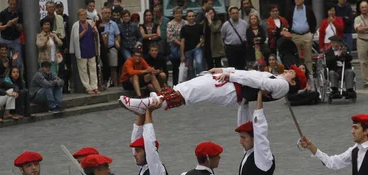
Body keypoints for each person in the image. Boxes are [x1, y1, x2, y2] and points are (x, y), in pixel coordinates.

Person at [119, 65, 305, 114]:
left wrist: (229, 75)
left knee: (192, 91)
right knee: (188, 86)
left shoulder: (282, 85)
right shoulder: (279, 80)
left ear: (294, 82)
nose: (288, 71)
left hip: (233, 89)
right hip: (231, 84)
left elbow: (254, 80)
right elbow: (250, 74)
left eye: (292, 73)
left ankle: (147, 103)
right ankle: (149, 102)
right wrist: (225, 71)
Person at [70, 9, 99, 94]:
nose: (83, 16)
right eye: (81, 15)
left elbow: (95, 35)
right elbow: (76, 39)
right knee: (83, 71)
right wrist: (84, 31)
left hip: (91, 49)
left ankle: (94, 86)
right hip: (81, 50)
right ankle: (88, 87)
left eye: (84, 14)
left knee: (93, 69)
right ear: (78, 16)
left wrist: (94, 30)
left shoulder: (90, 23)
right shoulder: (76, 25)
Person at [287, 0, 318, 73]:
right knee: (295, 57)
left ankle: (309, 74)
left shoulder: (308, 10)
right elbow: (288, 21)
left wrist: (312, 33)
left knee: (308, 58)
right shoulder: (291, 10)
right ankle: (297, 73)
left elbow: (314, 21)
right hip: (295, 35)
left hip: (306, 35)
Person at [0, 0, 23, 68]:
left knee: (18, 61)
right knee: (4, 60)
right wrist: (7, 25)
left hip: (15, 39)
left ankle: (18, 76)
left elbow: (21, 29)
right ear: (8, 3)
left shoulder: (19, 13)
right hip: (4, 39)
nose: (12, 6)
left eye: (14, 4)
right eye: (11, 4)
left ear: (16, 4)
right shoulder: (3, 13)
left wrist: (16, 24)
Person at [99, 7, 121, 87]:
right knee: (101, 67)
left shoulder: (113, 24)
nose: (107, 15)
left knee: (113, 66)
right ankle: (102, 84)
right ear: (102, 14)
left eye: (109, 13)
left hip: (111, 47)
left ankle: (115, 85)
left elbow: (118, 35)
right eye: (106, 13)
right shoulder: (99, 24)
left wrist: (117, 42)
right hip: (101, 49)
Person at [180, 10, 205, 80]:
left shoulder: (199, 26)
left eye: (193, 16)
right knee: (190, 68)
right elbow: (182, 41)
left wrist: (199, 44)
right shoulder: (184, 28)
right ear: (186, 18)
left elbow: (203, 38)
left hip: (197, 49)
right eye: (189, 16)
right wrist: (182, 55)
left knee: (199, 63)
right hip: (187, 50)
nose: (191, 18)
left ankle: (201, 79)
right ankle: (193, 81)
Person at [167, 6, 186, 85]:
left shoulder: (185, 23)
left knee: (185, 68)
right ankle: (175, 85)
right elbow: (170, 37)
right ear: (174, 14)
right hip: (175, 46)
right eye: (176, 13)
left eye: (180, 13)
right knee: (175, 68)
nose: (178, 15)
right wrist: (180, 43)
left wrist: (183, 44)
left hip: (185, 46)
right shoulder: (170, 24)